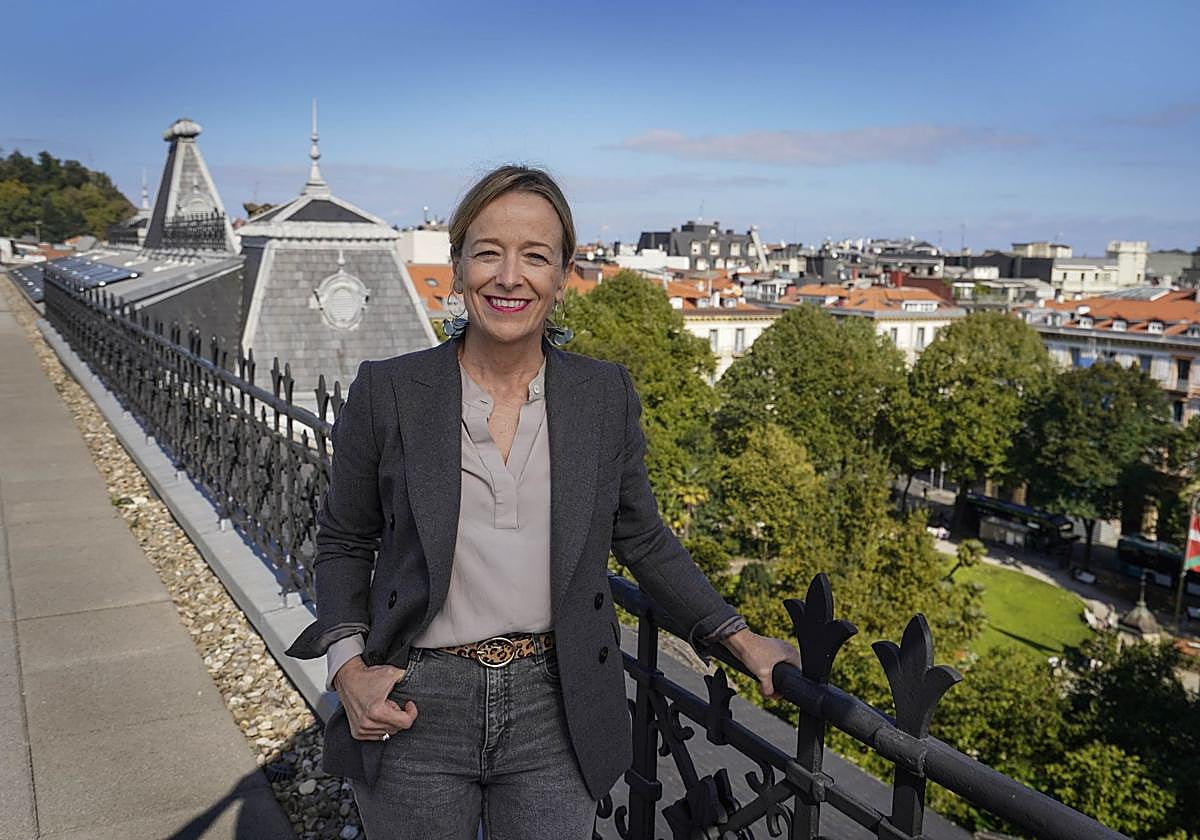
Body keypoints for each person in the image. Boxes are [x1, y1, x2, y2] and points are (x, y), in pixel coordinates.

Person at [287, 165, 801, 839]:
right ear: (459, 263)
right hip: (415, 695)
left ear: (562, 277)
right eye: (489, 252)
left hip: (555, 702)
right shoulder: (390, 391)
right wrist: (347, 669)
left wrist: (739, 638)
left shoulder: (602, 395)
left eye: (535, 256)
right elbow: (345, 542)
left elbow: (641, 537)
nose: (509, 277)